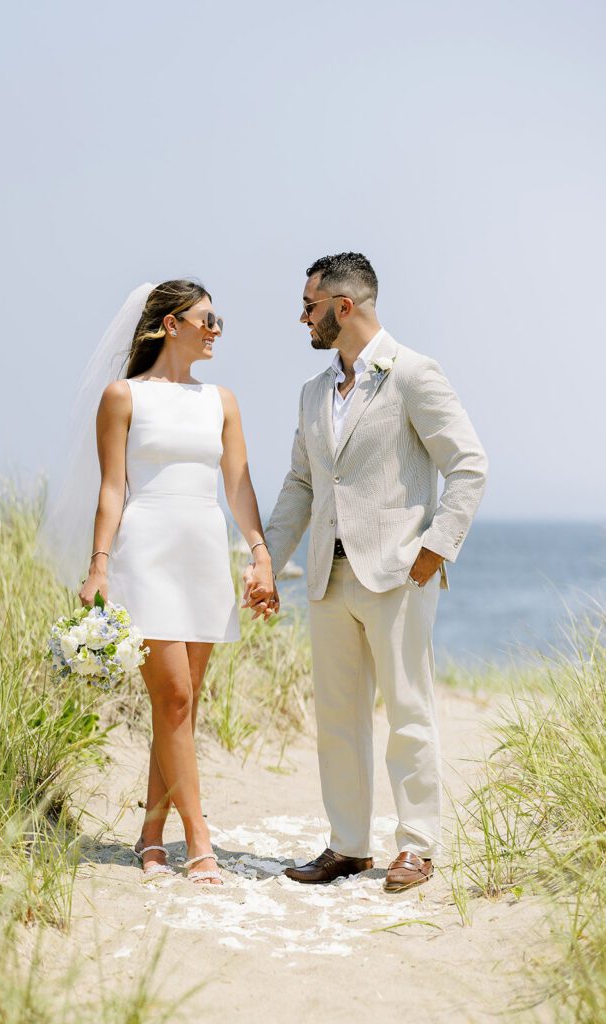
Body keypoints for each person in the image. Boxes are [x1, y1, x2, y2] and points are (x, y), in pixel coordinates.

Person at [246, 253, 487, 891]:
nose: (302, 317)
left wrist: (437, 547)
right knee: (338, 718)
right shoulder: (311, 393)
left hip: (399, 574)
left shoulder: (412, 374)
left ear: (343, 307)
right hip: (328, 576)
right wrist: (267, 559)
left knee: (409, 711)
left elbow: (469, 464)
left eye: (309, 306)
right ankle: (348, 846)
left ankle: (416, 846)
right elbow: (301, 483)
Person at [43, 280, 276, 885]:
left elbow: (238, 486)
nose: (217, 328)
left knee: (182, 707)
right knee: (172, 699)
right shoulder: (122, 397)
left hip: (203, 554)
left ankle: (150, 833)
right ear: (172, 324)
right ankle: (199, 843)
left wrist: (259, 554)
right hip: (144, 555)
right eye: (207, 318)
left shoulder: (221, 400)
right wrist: (98, 565)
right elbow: (112, 488)